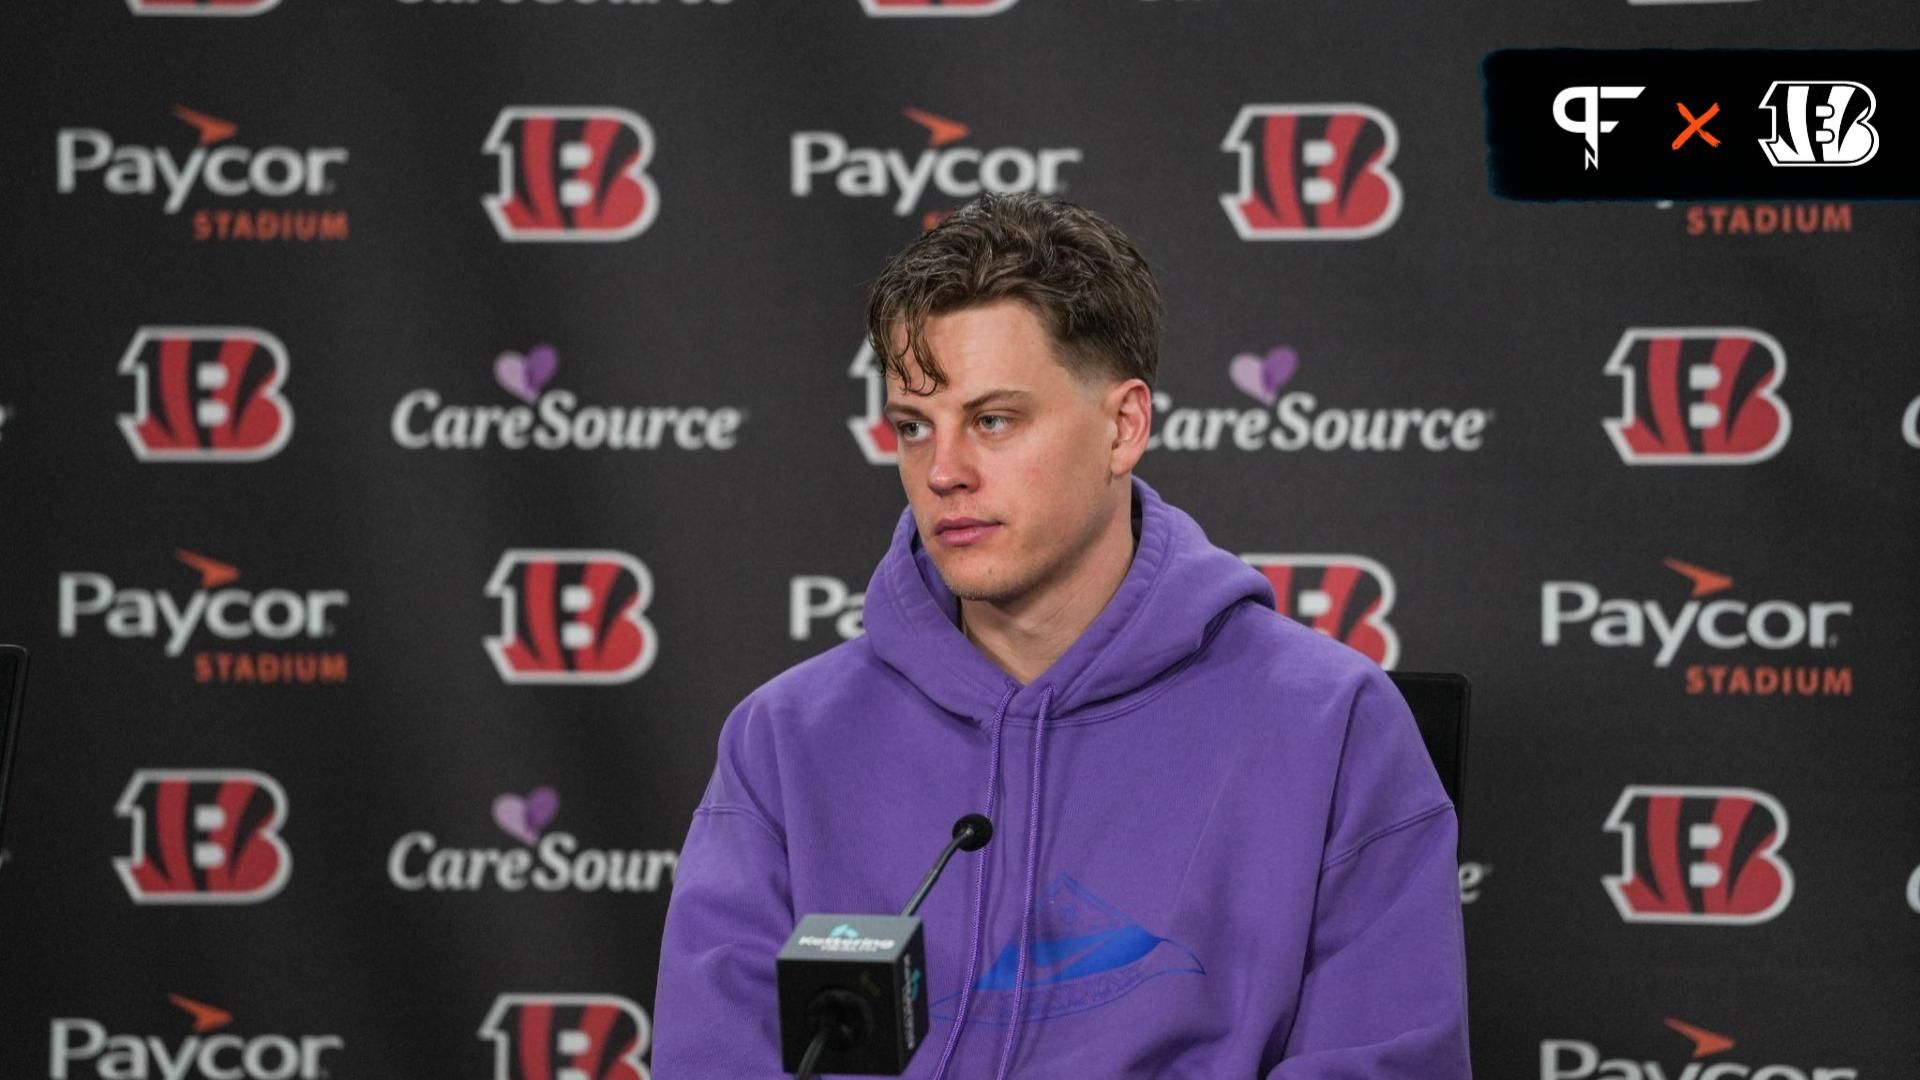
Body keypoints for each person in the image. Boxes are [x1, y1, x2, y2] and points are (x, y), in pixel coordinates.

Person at [652, 193, 1470, 1077]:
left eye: (993, 421)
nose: (944, 472)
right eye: (914, 427)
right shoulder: (784, 738)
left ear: (1124, 427)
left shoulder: (1333, 724)